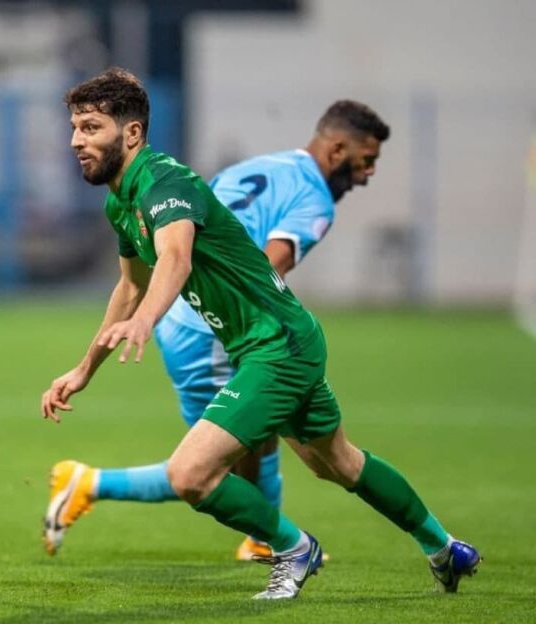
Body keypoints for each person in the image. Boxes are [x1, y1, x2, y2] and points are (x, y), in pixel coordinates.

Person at [40, 67, 480, 599]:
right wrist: (83, 369)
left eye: (91, 128)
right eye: (75, 128)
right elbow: (130, 287)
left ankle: (293, 548)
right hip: (275, 342)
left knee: (191, 474)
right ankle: (444, 547)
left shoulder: (165, 184)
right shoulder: (120, 202)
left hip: (277, 348)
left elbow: (175, 258)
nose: (76, 141)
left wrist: (147, 320)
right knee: (339, 463)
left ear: (131, 133)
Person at [43, 99, 388, 562]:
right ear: (338, 149)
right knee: (211, 460)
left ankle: (267, 541)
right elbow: (262, 276)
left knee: (246, 443)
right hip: (211, 323)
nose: (368, 173)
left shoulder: (265, 166)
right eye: (366, 160)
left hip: (178, 311)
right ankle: (93, 483)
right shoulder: (314, 198)